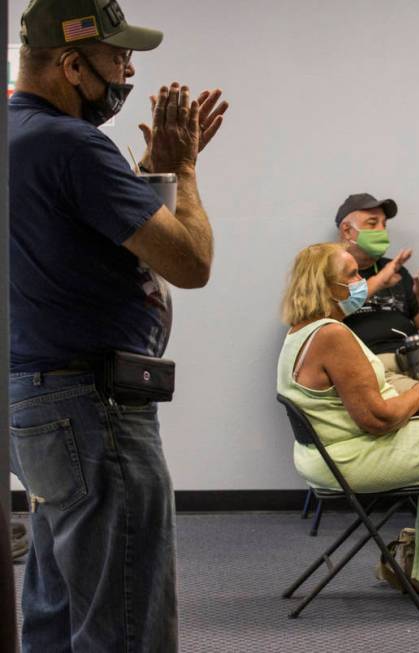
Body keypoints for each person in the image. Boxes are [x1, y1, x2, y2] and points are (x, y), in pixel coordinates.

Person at [8, 0, 228, 649]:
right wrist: (184, 171)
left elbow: (80, 240)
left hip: (41, 405)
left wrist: (148, 180)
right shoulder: (71, 144)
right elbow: (190, 261)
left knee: (58, 607)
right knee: (125, 619)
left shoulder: (18, 136)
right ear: (72, 65)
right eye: (118, 57)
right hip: (92, 410)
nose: (128, 72)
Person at [276, 243, 419, 597]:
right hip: (345, 460)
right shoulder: (331, 334)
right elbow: (378, 418)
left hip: (324, 455)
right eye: (352, 275)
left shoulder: (301, 331)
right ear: (324, 286)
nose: (361, 282)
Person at [334, 193, 419, 393]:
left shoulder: (395, 270)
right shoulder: (329, 272)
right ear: (347, 230)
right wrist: (379, 281)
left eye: (384, 224)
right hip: (371, 367)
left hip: (416, 359)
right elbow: (317, 317)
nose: (382, 230)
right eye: (372, 223)